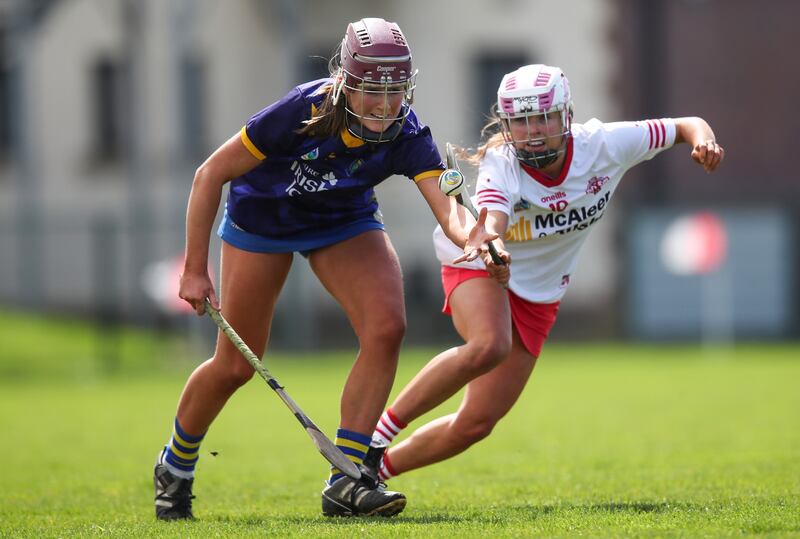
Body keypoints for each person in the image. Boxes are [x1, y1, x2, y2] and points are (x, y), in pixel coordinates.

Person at [152, 17, 498, 520]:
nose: (384, 106)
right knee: (233, 366)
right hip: (261, 223)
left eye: (395, 91)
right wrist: (194, 269)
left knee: (387, 327)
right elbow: (210, 175)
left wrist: (474, 235)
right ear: (344, 82)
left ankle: (348, 476)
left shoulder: (407, 131)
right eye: (371, 91)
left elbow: (449, 211)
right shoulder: (301, 109)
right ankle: (175, 464)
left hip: (343, 221)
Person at [362, 63, 725, 484]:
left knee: (475, 424)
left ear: (565, 116)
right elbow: (492, 221)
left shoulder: (603, 145)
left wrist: (705, 143)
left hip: (540, 292)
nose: (533, 131)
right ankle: (374, 440)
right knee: (488, 345)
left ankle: (372, 473)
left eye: (543, 118)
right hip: (479, 260)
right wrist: (493, 248)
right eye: (521, 121)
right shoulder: (502, 161)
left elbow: (686, 125)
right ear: (506, 124)